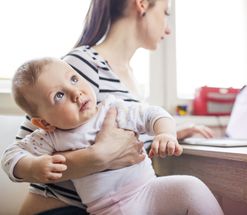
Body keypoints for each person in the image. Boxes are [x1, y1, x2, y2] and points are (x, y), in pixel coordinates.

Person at [1, 0, 219, 214]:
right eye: (165, 12)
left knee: (192, 188)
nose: (169, 28)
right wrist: (99, 156)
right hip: (67, 208)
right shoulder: (85, 63)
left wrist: (166, 133)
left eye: (75, 81)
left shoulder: (118, 90)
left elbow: (125, 130)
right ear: (142, 4)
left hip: (139, 192)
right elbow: (26, 158)